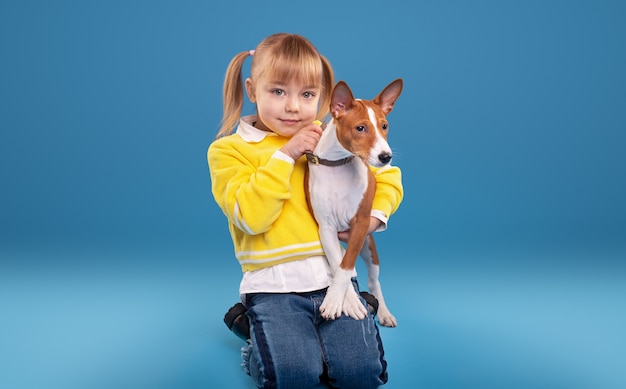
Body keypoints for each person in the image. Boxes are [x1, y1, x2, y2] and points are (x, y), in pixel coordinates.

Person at [207, 33, 403, 388]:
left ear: (326, 100)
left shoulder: (331, 138)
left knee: (362, 375)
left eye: (307, 94)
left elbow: (385, 175)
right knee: (295, 376)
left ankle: (330, 328)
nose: (294, 106)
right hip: (274, 287)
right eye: (278, 91)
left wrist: (375, 216)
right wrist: (286, 155)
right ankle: (256, 336)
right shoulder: (229, 151)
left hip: (332, 278)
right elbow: (251, 217)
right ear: (252, 90)